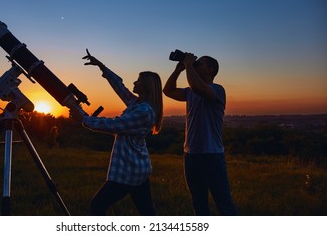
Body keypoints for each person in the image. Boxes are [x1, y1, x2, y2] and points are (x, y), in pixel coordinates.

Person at [69, 50, 163, 215]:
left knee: (97, 206)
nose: (134, 82)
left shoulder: (144, 111)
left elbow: (114, 125)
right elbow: (120, 86)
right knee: (147, 212)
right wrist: (102, 67)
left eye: (138, 80)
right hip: (137, 169)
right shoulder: (136, 103)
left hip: (129, 170)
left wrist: (83, 118)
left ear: (146, 87)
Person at [163, 52, 237, 215]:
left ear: (210, 69)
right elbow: (167, 91)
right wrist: (178, 70)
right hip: (191, 155)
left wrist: (189, 64)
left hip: (212, 155)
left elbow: (198, 87)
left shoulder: (217, 90)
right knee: (199, 203)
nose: (195, 65)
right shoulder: (190, 92)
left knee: (224, 203)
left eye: (199, 64)